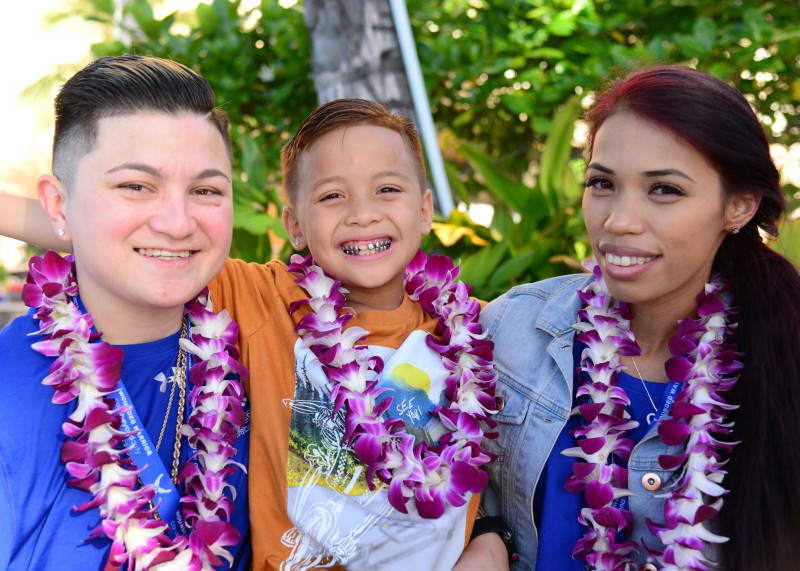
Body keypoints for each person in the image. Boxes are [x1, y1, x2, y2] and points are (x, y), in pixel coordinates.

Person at [0, 98, 507, 570]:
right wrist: (59, 210)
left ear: (423, 209)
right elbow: (115, 231)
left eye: (387, 189)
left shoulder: (477, 326)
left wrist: (491, 540)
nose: (362, 213)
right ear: (295, 226)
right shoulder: (265, 298)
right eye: (332, 195)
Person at [479, 64, 800, 570]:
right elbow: (447, 484)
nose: (618, 221)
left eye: (664, 189)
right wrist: (487, 534)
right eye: (602, 183)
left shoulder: (783, 358)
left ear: (738, 206)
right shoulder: (513, 329)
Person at [0, 55, 251, 570]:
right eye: (136, 186)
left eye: (206, 191)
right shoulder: (9, 389)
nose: (178, 224)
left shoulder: (270, 339)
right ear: (57, 204)